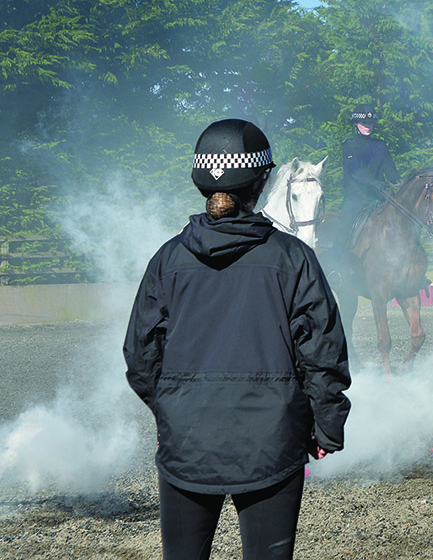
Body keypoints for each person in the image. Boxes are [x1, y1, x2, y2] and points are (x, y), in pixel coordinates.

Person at [124, 118, 351, 560]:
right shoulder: (294, 259)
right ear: (262, 183)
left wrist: (172, 409)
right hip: (273, 444)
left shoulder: (167, 259)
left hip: (186, 443)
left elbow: (140, 357)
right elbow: (322, 352)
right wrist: (327, 427)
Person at [337, 104, 400, 253]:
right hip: (356, 199)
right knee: (344, 228)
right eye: (364, 123)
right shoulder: (349, 145)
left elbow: (391, 172)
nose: (368, 126)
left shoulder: (381, 146)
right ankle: (338, 264)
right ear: (356, 124)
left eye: (370, 123)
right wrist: (373, 182)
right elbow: (354, 170)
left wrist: (402, 182)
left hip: (379, 198)